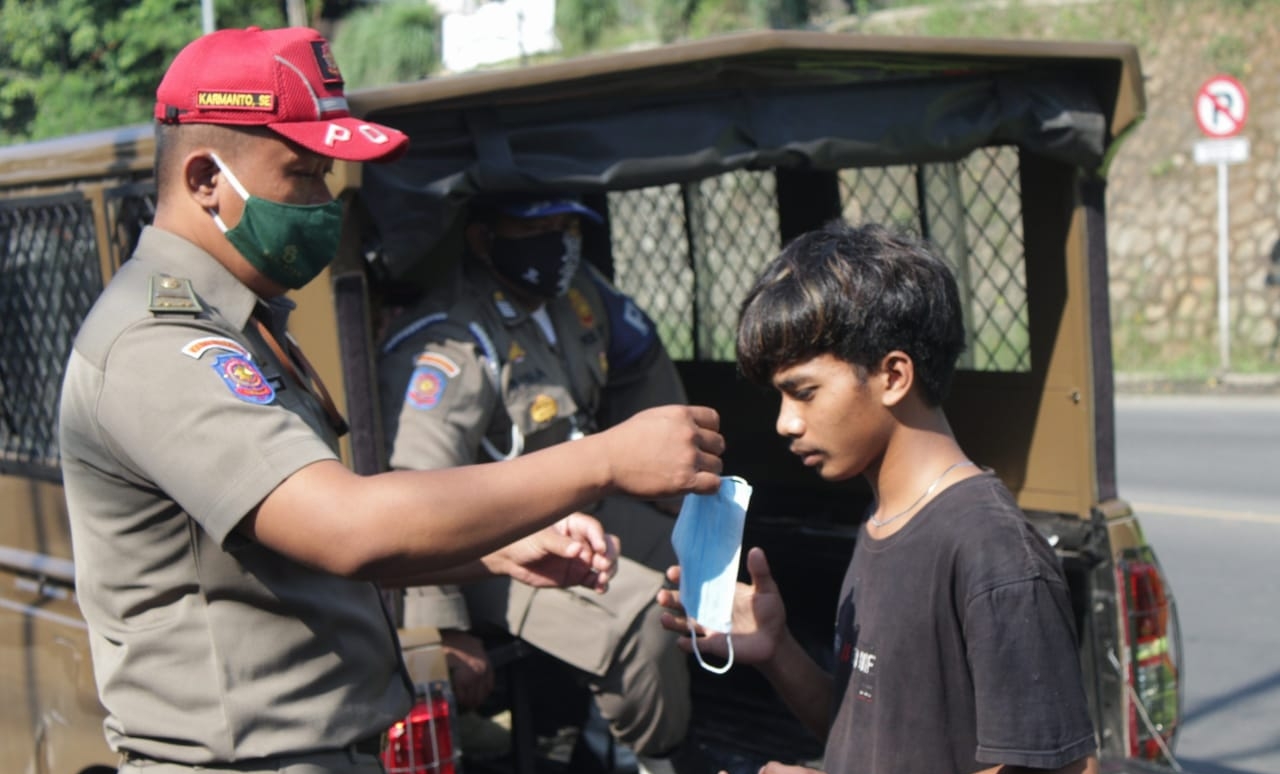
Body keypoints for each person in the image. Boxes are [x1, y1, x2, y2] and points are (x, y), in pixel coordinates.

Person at [57, 26, 724, 774]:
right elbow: (348, 528)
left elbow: (292, 547)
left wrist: (497, 549)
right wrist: (603, 461)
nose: (324, 203)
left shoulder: (243, 323)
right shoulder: (159, 344)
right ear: (207, 177)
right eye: (304, 175)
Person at [658, 222, 1098, 774]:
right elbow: (868, 740)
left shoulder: (992, 549)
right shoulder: (884, 521)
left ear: (893, 375)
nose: (785, 422)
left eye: (804, 392)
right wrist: (776, 650)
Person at [377, 194, 703, 774]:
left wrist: (673, 490)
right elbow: (419, 500)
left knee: (705, 559)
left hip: (584, 506)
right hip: (488, 539)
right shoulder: (449, 341)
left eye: (567, 227)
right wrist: (442, 631)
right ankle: (656, 758)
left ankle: (666, 727)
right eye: (537, 227)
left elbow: (638, 369)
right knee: (644, 625)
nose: (559, 243)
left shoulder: (579, 298)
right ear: (482, 238)